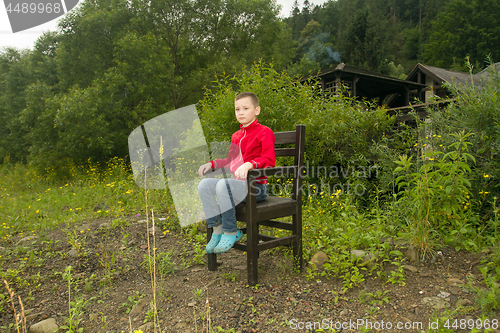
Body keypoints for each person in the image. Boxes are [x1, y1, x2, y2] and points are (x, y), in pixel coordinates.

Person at [197, 92, 275, 254]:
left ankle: (231, 231)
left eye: (245, 108)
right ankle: (217, 229)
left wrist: (249, 164)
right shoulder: (236, 136)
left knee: (224, 185)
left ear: (257, 110)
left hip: (256, 188)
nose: (240, 112)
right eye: (237, 109)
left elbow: (269, 160)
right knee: (204, 184)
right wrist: (211, 164)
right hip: (236, 188)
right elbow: (230, 161)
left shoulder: (264, 132)